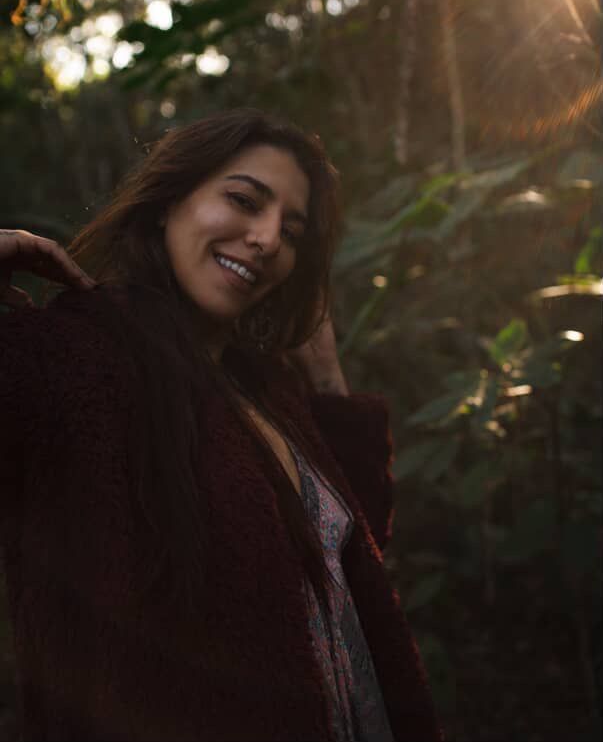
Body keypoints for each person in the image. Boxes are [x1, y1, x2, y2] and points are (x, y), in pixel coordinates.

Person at [0, 109, 443, 742]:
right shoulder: (72, 358)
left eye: (292, 232)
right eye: (243, 200)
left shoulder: (264, 386)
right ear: (167, 201)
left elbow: (352, 559)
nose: (267, 240)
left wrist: (327, 378)